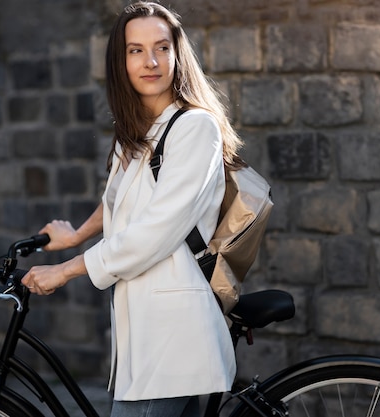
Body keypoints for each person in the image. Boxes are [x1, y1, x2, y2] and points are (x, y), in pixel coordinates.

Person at [22, 2, 244, 416]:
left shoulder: (194, 128)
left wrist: (67, 269)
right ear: (120, 61)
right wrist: (76, 236)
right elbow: (120, 202)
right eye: (136, 50)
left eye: (161, 47)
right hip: (144, 329)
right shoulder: (139, 133)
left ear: (178, 55)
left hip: (173, 333)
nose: (151, 61)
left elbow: (157, 229)